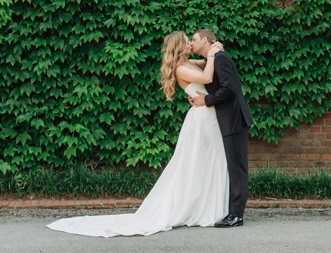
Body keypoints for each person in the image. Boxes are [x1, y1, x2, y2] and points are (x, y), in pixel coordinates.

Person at [47, 31, 229, 237]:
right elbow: (207, 77)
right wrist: (213, 55)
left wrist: (212, 53)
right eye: (187, 42)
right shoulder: (180, 69)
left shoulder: (188, 63)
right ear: (179, 47)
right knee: (207, 159)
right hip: (202, 117)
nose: (190, 44)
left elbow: (206, 65)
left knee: (209, 160)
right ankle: (207, 209)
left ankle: (207, 206)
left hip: (204, 113)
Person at [188, 28, 254, 228]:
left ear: (206, 40)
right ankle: (232, 211)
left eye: (194, 39)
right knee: (232, 168)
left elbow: (229, 89)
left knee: (237, 169)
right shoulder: (212, 58)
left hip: (233, 120)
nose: (191, 43)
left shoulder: (221, 58)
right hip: (227, 120)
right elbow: (189, 63)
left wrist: (205, 100)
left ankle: (236, 216)